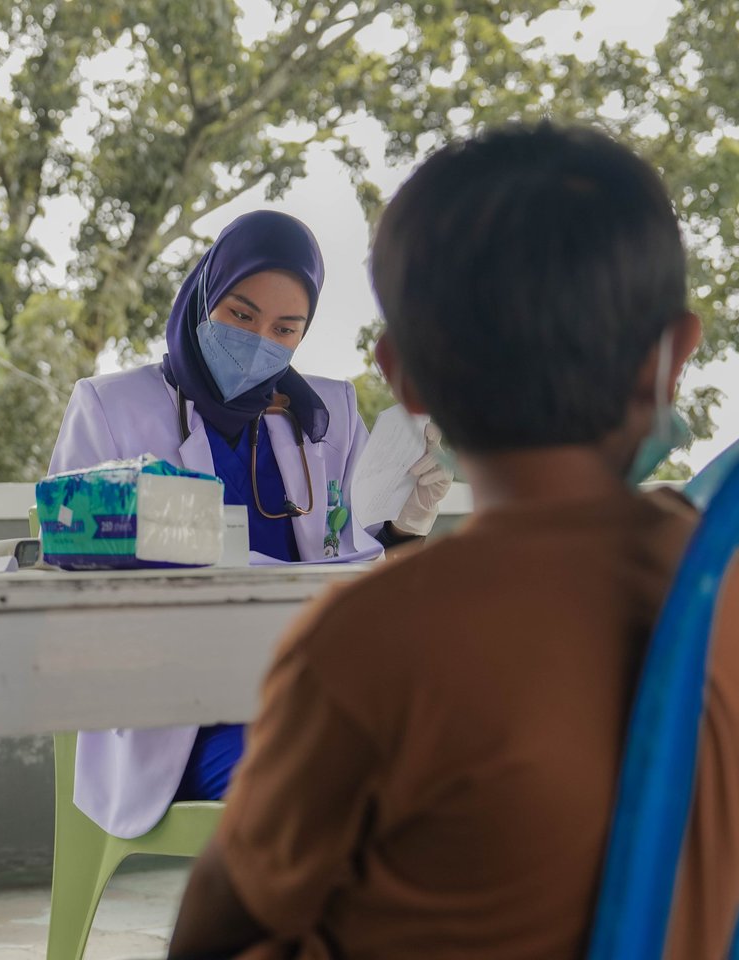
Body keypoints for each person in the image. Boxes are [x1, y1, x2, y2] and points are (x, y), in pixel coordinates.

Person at [168, 123, 739, 960]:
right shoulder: (736, 593)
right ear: (673, 357)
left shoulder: (367, 641)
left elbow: (213, 929)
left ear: (401, 376)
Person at [48, 210, 452, 840]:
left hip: (316, 688)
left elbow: (368, 571)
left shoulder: (329, 415)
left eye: (285, 328)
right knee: (321, 791)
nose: (261, 339)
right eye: (240, 315)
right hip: (183, 717)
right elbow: (70, 569)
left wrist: (408, 524)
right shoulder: (111, 407)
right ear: (206, 292)